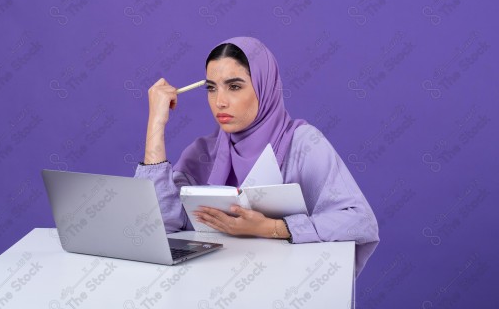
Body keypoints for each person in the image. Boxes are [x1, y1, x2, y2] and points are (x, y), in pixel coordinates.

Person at [134, 36, 379, 276]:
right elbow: (155, 227)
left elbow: (359, 222)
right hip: (217, 289)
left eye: (234, 86)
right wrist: (156, 124)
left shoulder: (304, 143)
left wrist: (272, 227)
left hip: (291, 289)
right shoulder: (203, 152)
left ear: (265, 86)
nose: (219, 102)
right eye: (211, 88)